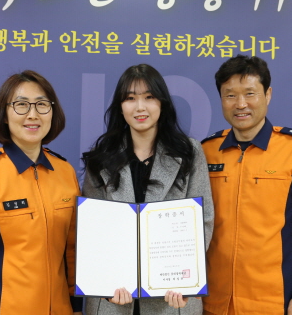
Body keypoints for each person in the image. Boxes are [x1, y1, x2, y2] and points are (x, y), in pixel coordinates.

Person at [82, 64, 214, 315]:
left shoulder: (189, 152)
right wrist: (105, 282)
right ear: (120, 106)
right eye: (130, 98)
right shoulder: (101, 158)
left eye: (149, 97)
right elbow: (93, 229)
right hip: (112, 299)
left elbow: (203, 220)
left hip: (172, 299)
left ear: (162, 103)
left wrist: (185, 279)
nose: (140, 107)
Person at [201, 55, 292, 315]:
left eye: (250, 93)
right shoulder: (207, 151)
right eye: (230, 95)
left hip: (272, 301)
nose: (241, 104)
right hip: (214, 301)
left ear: (267, 95)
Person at [0, 70, 82, 315]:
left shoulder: (65, 172)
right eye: (21, 105)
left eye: (42, 104)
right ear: (4, 114)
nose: (33, 114)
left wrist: (76, 306)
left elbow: (72, 251)